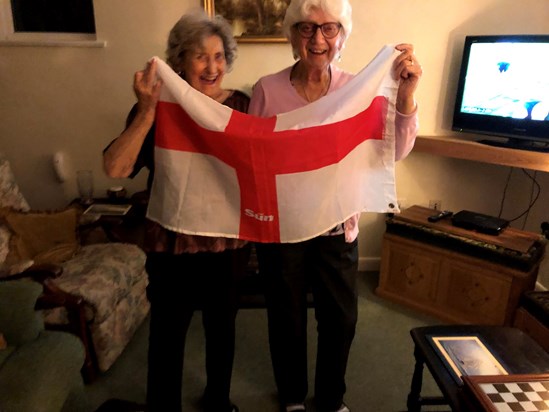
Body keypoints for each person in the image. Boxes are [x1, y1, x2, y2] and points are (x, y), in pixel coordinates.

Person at [247, 1, 422, 411]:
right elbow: (252, 159)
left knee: (340, 320)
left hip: (336, 226)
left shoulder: (356, 88)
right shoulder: (266, 90)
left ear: (342, 37)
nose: (317, 39)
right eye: (306, 29)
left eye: (328, 29)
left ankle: (330, 400)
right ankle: (291, 397)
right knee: (286, 317)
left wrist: (407, 95)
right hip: (284, 227)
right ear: (292, 37)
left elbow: (393, 151)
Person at [103, 10, 250, 412]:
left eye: (219, 56)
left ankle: (218, 401)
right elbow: (115, 168)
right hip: (172, 245)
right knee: (166, 336)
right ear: (180, 61)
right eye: (200, 56)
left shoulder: (243, 109)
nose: (212, 66)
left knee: (223, 333)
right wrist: (147, 112)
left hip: (227, 247)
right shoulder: (157, 107)